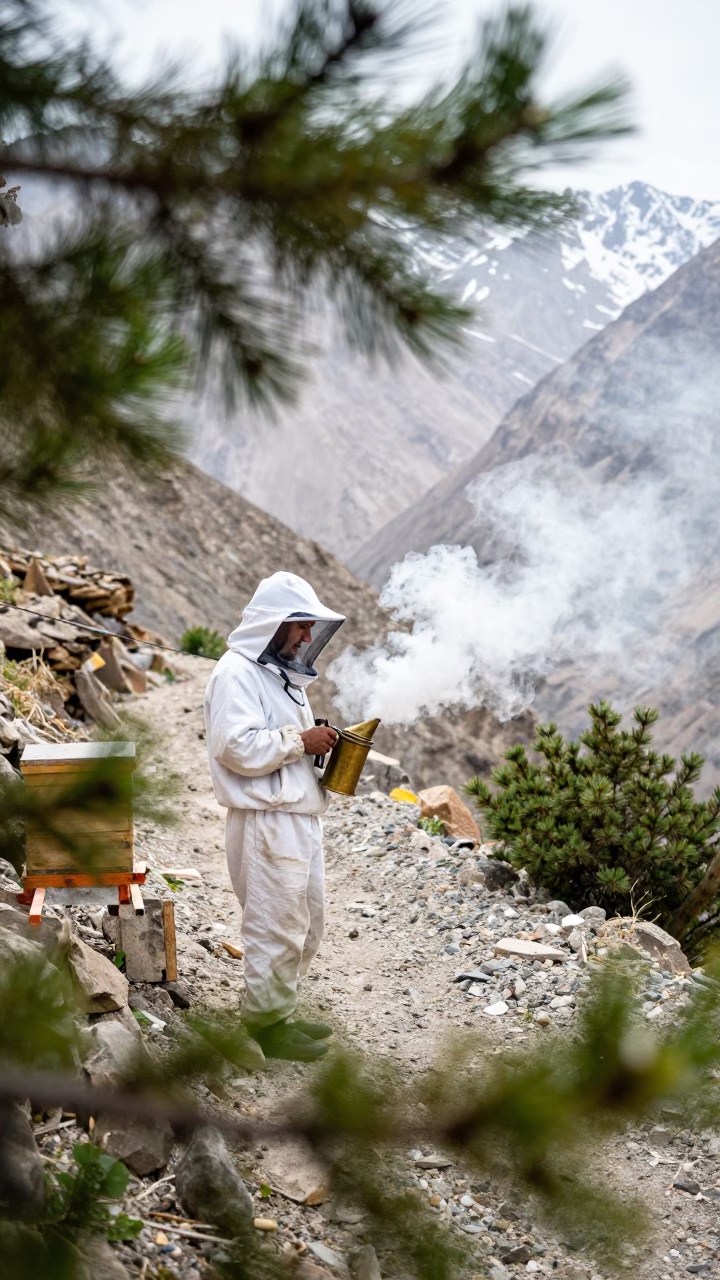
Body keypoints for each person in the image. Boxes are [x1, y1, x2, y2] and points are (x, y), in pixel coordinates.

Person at [204, 571, 344, 1063]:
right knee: (273, 925)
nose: (308, 637)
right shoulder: (235, 673)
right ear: (275, 623)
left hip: (298, 815)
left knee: (307, 920)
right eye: (302, 626)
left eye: (309, 628)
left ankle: (278, 1012)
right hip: (265, 817)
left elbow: (281, 740)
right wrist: (298, 742)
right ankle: (265, 1027)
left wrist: (313, 742)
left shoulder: (281, 675)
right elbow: (234, 745)